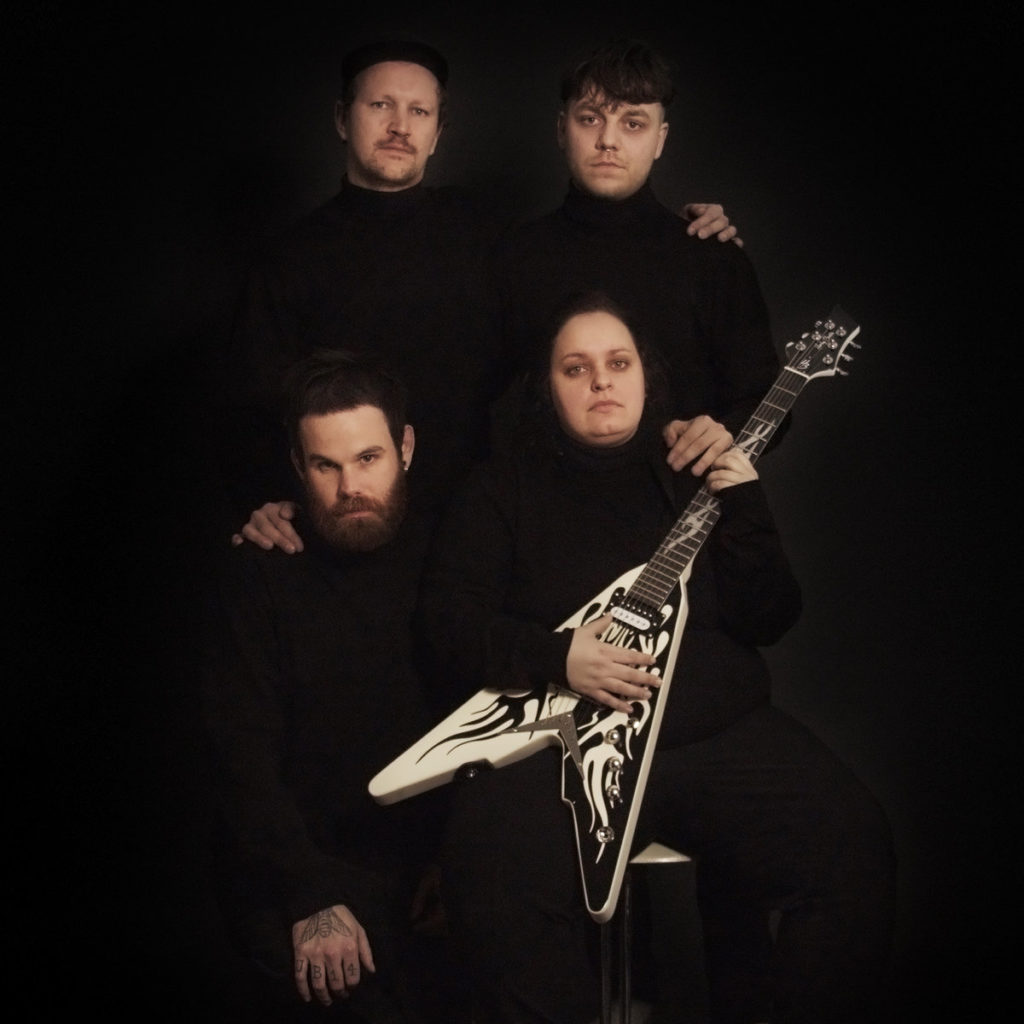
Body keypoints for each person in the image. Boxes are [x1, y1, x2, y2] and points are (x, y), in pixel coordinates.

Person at [416, 292, 897, 1024]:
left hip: (714, 740)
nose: (600, 381)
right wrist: (557, 656)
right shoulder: (498, 490)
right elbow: (446, 626)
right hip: (561, 750)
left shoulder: (694, 472)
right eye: (575, 368)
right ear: (547, 387)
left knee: (853, 849)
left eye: (619, 363)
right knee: (492, 877)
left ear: (647, 377)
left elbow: (770, 617)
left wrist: (746, 502)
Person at [220, 37, 740, 555]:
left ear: (438, 132)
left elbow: (589, 286)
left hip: (472, 522)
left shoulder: (486, 231)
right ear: (341, 118)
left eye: (418, 111)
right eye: (380, 105)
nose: (400, 126)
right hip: (347, 517)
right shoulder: (286, 259)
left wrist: (686, 234)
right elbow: (250, 405)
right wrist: (261, 499)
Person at [200, 349, 467, 1022]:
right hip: (302, 868)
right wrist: (310, 893)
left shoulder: (453, 549)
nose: (350, 487)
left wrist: (460, 863)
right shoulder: (262, 570)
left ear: (405, 448)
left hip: (434, 869)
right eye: (326, 465)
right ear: (298, 466)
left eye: (368, 458)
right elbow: (239, 759)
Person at [490, 37, 786, 473]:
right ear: (562, 129)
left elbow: (767, 401)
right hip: (545, 504)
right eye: (590, 119)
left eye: (633, 123)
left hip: (682, 503)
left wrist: (728, 431)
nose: (608, 140)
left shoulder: (711, 258)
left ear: (660, 139)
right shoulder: (515, 255)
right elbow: (480, 404)